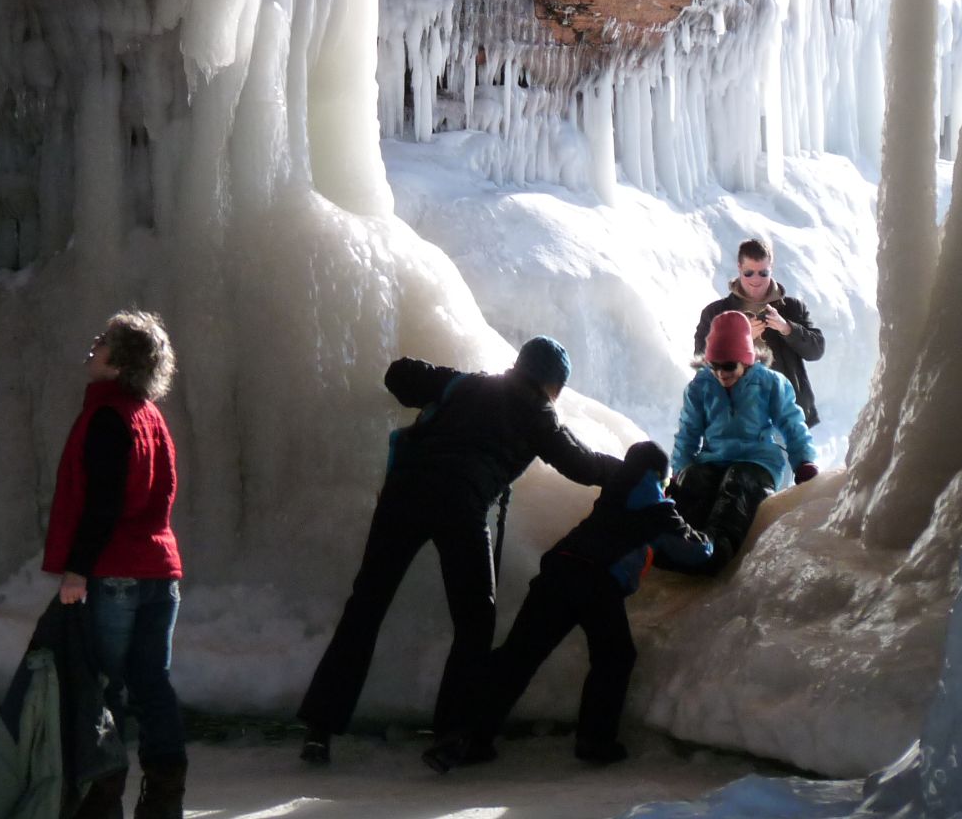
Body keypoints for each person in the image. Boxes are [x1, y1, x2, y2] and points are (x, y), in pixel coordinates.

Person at [296, 337, 620, 765]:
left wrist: (432, 386)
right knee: (475, 619)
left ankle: (319, 729)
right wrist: (632, 471)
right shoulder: (539, 413)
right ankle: (451, 733)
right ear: (552, 384)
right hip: (460, 505)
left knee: (367, 606)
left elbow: (400, 375)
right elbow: (581, 464)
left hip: (403, 495)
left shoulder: (467, 384)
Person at [423, 442, 711, 773]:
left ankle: (466, 736)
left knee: (519, 655)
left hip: (558, 569)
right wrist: (716, 537)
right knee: (615, 656)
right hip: (596, 580)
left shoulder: (615, 488)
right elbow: (696, 552)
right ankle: (595, 741)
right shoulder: (657, 508)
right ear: (659, 475)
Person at [42, 310, 187, 819]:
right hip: (160, 572)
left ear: (122, 361)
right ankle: (165, 800)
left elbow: (103, 503)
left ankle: (100, 803)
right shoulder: (152, 418)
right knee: (153, 685)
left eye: (104, 340)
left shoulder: (108, 417)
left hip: (115, 573)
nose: (94, 344)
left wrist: (77, 569)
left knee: (102, 687)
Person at [660, 311, 817, 576]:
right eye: (715, 366)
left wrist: (803, 462)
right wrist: (680, 473)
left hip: (757, 460)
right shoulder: (701, 386)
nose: (721, 373)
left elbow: (792, 424)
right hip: (713, 457)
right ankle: (676, 542)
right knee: (695, 479)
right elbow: (688, 433)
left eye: (729, 366)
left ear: (746, 359)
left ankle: (717, 547)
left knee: (738, 483)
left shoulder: (769, 383)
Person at [692, 237, 826, 428]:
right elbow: (703, 365)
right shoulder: (716, 313)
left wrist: (787, 328)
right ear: (739, 268)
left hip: (786, 420)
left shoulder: (792, 308)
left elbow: (816, 350)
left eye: (763, 273)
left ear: (771, 268)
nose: (756, 280)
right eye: (749, 273)